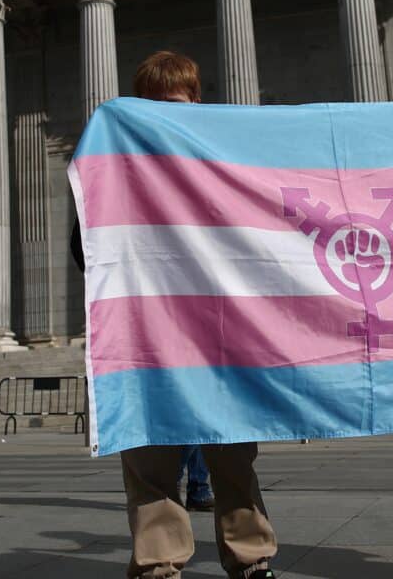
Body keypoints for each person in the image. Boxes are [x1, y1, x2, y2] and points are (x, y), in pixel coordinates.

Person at [73, 51, 279, 579]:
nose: (171, 113)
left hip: (218, 334)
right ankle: (159, 564)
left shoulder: (219, 160)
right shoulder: (111, 167)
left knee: (234, 455)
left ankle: (251, 558)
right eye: (158, 105)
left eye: (179, 103)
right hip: (147, 333)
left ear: (197, 101)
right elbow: (86, 248)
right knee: (151, 457)